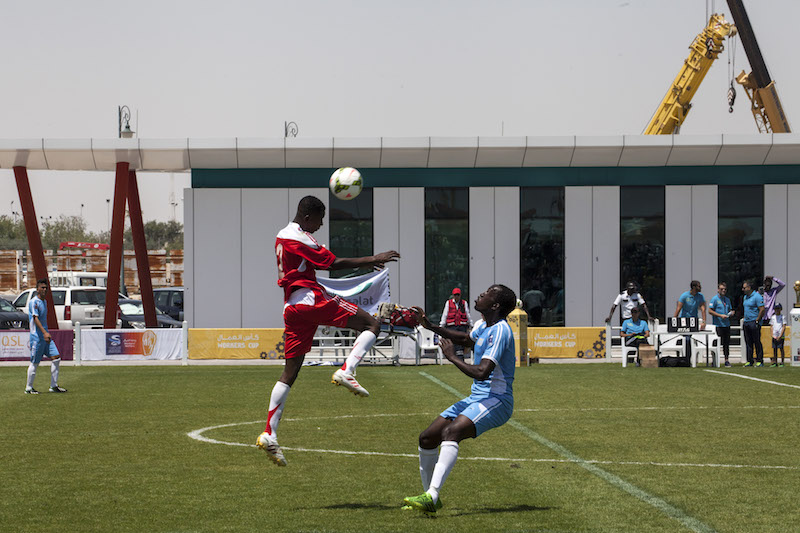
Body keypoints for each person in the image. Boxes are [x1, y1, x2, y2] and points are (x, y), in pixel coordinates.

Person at [256, 196, 400, 466]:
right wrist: (373, 258)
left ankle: (269, 433)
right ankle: (347, 370)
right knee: (373, 324)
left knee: (290, 372)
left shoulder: (282, 235)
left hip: (291, 306)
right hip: (310, 300)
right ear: (308, 216)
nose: (322, 224)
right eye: (321, 218)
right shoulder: (300, 236)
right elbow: (330, 263)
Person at [402, 284, 517, 515]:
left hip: (497, 400)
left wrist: (452, 357)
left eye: (486, 294)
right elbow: (466, 338)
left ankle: (432, 495)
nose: (480, 294)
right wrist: (431, 326)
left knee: (451, 432)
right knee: (427, 438)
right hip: (477, 398)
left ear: (495, 305)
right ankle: (429, 500)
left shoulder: (501, 330)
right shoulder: (485, 324)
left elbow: (482, 372)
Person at [25, 278, 67, 394]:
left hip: (46, 337)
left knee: (56, 358)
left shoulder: (45, 301)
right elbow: (35, 318)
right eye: (42, 288)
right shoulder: (34, 302)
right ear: (37, 289)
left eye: (46, 288)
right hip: (37, 338)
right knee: (34, 362)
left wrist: (46, 333)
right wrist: (44, 332)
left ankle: (53, 386)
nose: (44, 290)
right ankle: (28, 388)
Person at [674, 280, 707, 360]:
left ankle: (689, 358)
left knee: (692, 339)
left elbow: (703, 309)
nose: (700, 288)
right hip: (684, 320)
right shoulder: (684, 296)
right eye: (699, 286)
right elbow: (678, 308)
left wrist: (704, 321)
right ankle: (685, 358)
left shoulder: (700, 296)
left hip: (694, 320)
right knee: (686, 339)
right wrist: (674, 320)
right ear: (694, 287)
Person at [439, 287, 473, 361]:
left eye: (458, 295)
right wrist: (441, 326)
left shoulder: (464, 303)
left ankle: (460, 357)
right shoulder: (448, 303)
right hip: (452, 326)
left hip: (462, 325)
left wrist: (471, 325)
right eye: (455, 295)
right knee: (453, 341)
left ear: (460, 295)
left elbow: (467, 314)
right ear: (453, 295)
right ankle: (456, 357)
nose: (456, 296)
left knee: (461, 342)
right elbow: (445, 314)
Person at [708, 282, 735, 367]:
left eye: (725, 289)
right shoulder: (714, 299)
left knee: (726, 344)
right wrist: (720, 315)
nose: (723, 290)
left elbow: (730, 309)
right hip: (717, 325)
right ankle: (714, 361)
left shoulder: (727, 300)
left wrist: (732, 313)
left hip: (726, 325)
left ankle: (726, 360)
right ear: (718, 289)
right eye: (722, 289)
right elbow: (710, 311)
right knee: (715, 344)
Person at [741, 280, 765, 367]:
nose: (743, 289)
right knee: (748, 342)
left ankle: (759, 360)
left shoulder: (757, 296)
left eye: (744, 287)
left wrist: (757, 320)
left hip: (754, 322)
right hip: (747, 322)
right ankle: (749, 360)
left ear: (749, 288)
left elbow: (762, 309)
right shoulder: (745, 297)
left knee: (757, 341)